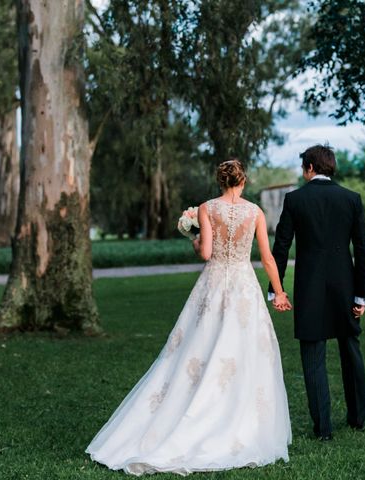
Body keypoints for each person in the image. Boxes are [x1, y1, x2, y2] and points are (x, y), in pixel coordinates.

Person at [86, 159, 292, 475]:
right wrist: (278, 292)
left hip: (212, 285)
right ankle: (240, 418)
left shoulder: (207, 208)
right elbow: (266, 257)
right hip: (244, 286)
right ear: (244, 181)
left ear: (220, 181)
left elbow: (207, 253)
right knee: (245, 349)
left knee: (196, 348)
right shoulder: (256, 212)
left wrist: (195, 240)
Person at [269, 144, 365, 441]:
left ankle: (323, 429)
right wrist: (360, 295)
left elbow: (282, 247)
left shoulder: (295, 200)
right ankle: (357, 418)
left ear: (310, 168)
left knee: (313, 357)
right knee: (351, 350)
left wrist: (277, 290)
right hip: (346, 289)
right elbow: (362, 250)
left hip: (309, 288)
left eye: (303, 167)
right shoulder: (351, 199)